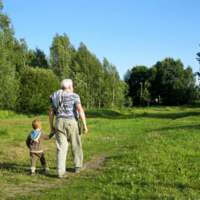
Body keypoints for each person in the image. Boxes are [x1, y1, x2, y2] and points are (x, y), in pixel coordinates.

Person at [49, 79, 88, 178]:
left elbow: (51, 112)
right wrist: (84, 124)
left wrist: (51, 126)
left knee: (61, 148)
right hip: (71, 122)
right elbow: (80, 109)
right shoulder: (74, 96)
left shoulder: (56, 96)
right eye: (73, 86)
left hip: (59, 122)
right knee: (76, 144)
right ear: (70, 87)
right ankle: (78, 166)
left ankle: (60, 172)